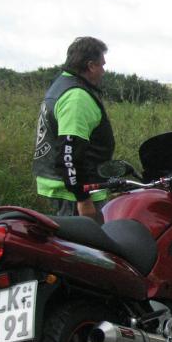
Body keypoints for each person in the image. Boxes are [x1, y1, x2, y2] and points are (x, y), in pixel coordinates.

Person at [33, 36, 114, 220]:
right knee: (88, 238)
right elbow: (69, 153)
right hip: (75, 192)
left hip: (66, 185)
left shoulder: (61, 84)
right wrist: (83, 198)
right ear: (90, 65)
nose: (103, 71)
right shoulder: (76, 97)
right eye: (101, 65)